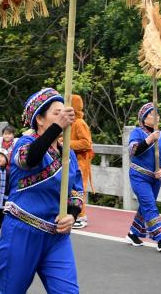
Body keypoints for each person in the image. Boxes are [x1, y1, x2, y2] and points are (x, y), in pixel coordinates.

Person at [0, 88, 84, 294]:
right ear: (40, 119)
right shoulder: (24, 144)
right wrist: (56, 127)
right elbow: (30, 159)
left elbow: (76, 192)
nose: (64, 116)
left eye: (65, 112)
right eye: (56, 113)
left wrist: (71, 215)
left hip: (57, 237)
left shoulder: (68, 154)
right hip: (22, 231)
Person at [125, 102, 161, 251]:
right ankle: (160, 239)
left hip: (156, 178)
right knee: (150, 206)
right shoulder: (137, 132)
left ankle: (133, 233)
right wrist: (150, 139)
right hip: (139, 176)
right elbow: (133, 150)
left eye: (157, 114)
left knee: (145, 206)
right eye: (152, 114)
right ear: (144, 118)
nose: (156, 117)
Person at [69, 94, 94, 229]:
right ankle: (73, 212)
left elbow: (86, 143)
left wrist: (67, 143)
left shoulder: (79, 123)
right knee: (71, 187)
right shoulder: (70, 123)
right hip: (72, 159)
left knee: (79, 187)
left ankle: (81, 216)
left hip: (81, 160)